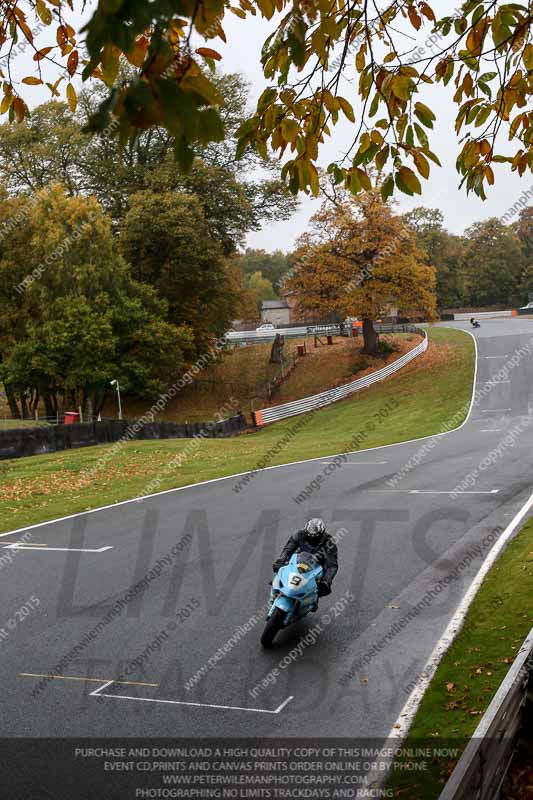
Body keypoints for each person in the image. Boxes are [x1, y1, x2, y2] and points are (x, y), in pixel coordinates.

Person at [273, 518, 338, 597]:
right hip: (298, 562)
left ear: (322, 533)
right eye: (309, 536)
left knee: (322, 589)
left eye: (315, 536)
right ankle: (274, 596)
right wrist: (281, 561)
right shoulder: (298, 535)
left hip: (316, 568)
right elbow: (287, 550)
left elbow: (332, 565)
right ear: (306, 531)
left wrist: (326, 581)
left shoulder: (329, 542)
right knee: (279, 575)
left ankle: (312, 600)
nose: (312, 538)